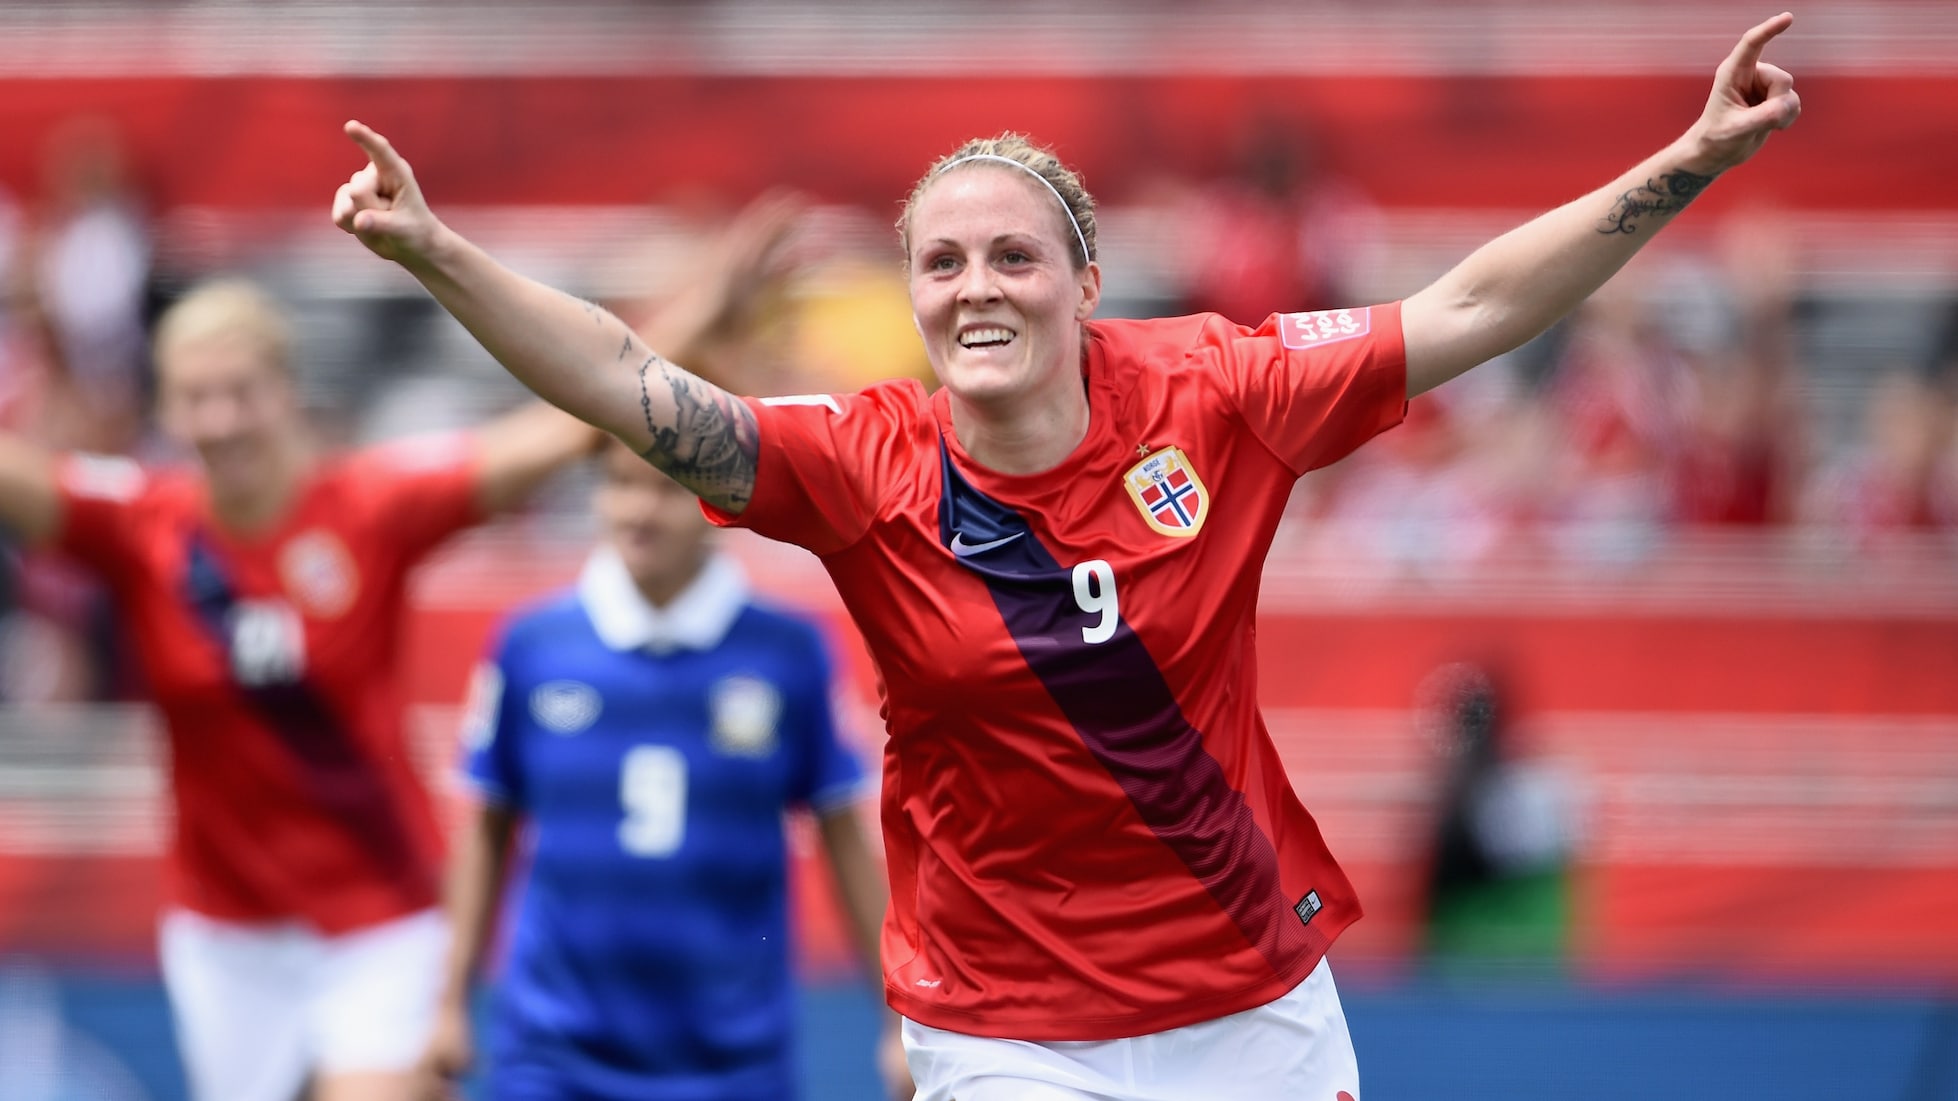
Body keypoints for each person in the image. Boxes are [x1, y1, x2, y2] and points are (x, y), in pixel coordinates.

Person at [332, 14, 1799, 1099]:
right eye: (942, 262)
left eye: (1012, 255)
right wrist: (436, 251)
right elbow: (625, 382)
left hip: (1250, 998)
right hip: (1005, 1024)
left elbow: (1472, 304)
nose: (977, 285)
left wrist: (1686, 160)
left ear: (1085, 280)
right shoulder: (861, 464)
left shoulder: (1221, 389)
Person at [0, 239, 775, 1101]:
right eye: (195, 399)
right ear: (168, 413)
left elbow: (560, 427)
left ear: (286, 392)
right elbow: (18, 478)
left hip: (380, 918)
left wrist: (689, 322)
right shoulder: (140, 526)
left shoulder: (369, 509)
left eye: (239, 394)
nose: (220, 421)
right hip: (226, 934)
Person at [419, 439, 908, 1101]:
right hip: (553, 1052)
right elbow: (487, 826)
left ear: (720, 503)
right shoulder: (534, 642)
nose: (638, 510)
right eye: (620, 483)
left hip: (734, 1058)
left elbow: (842, 834)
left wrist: (894, 1019)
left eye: (665, 489)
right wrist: (448, 1001)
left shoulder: (787, 649)